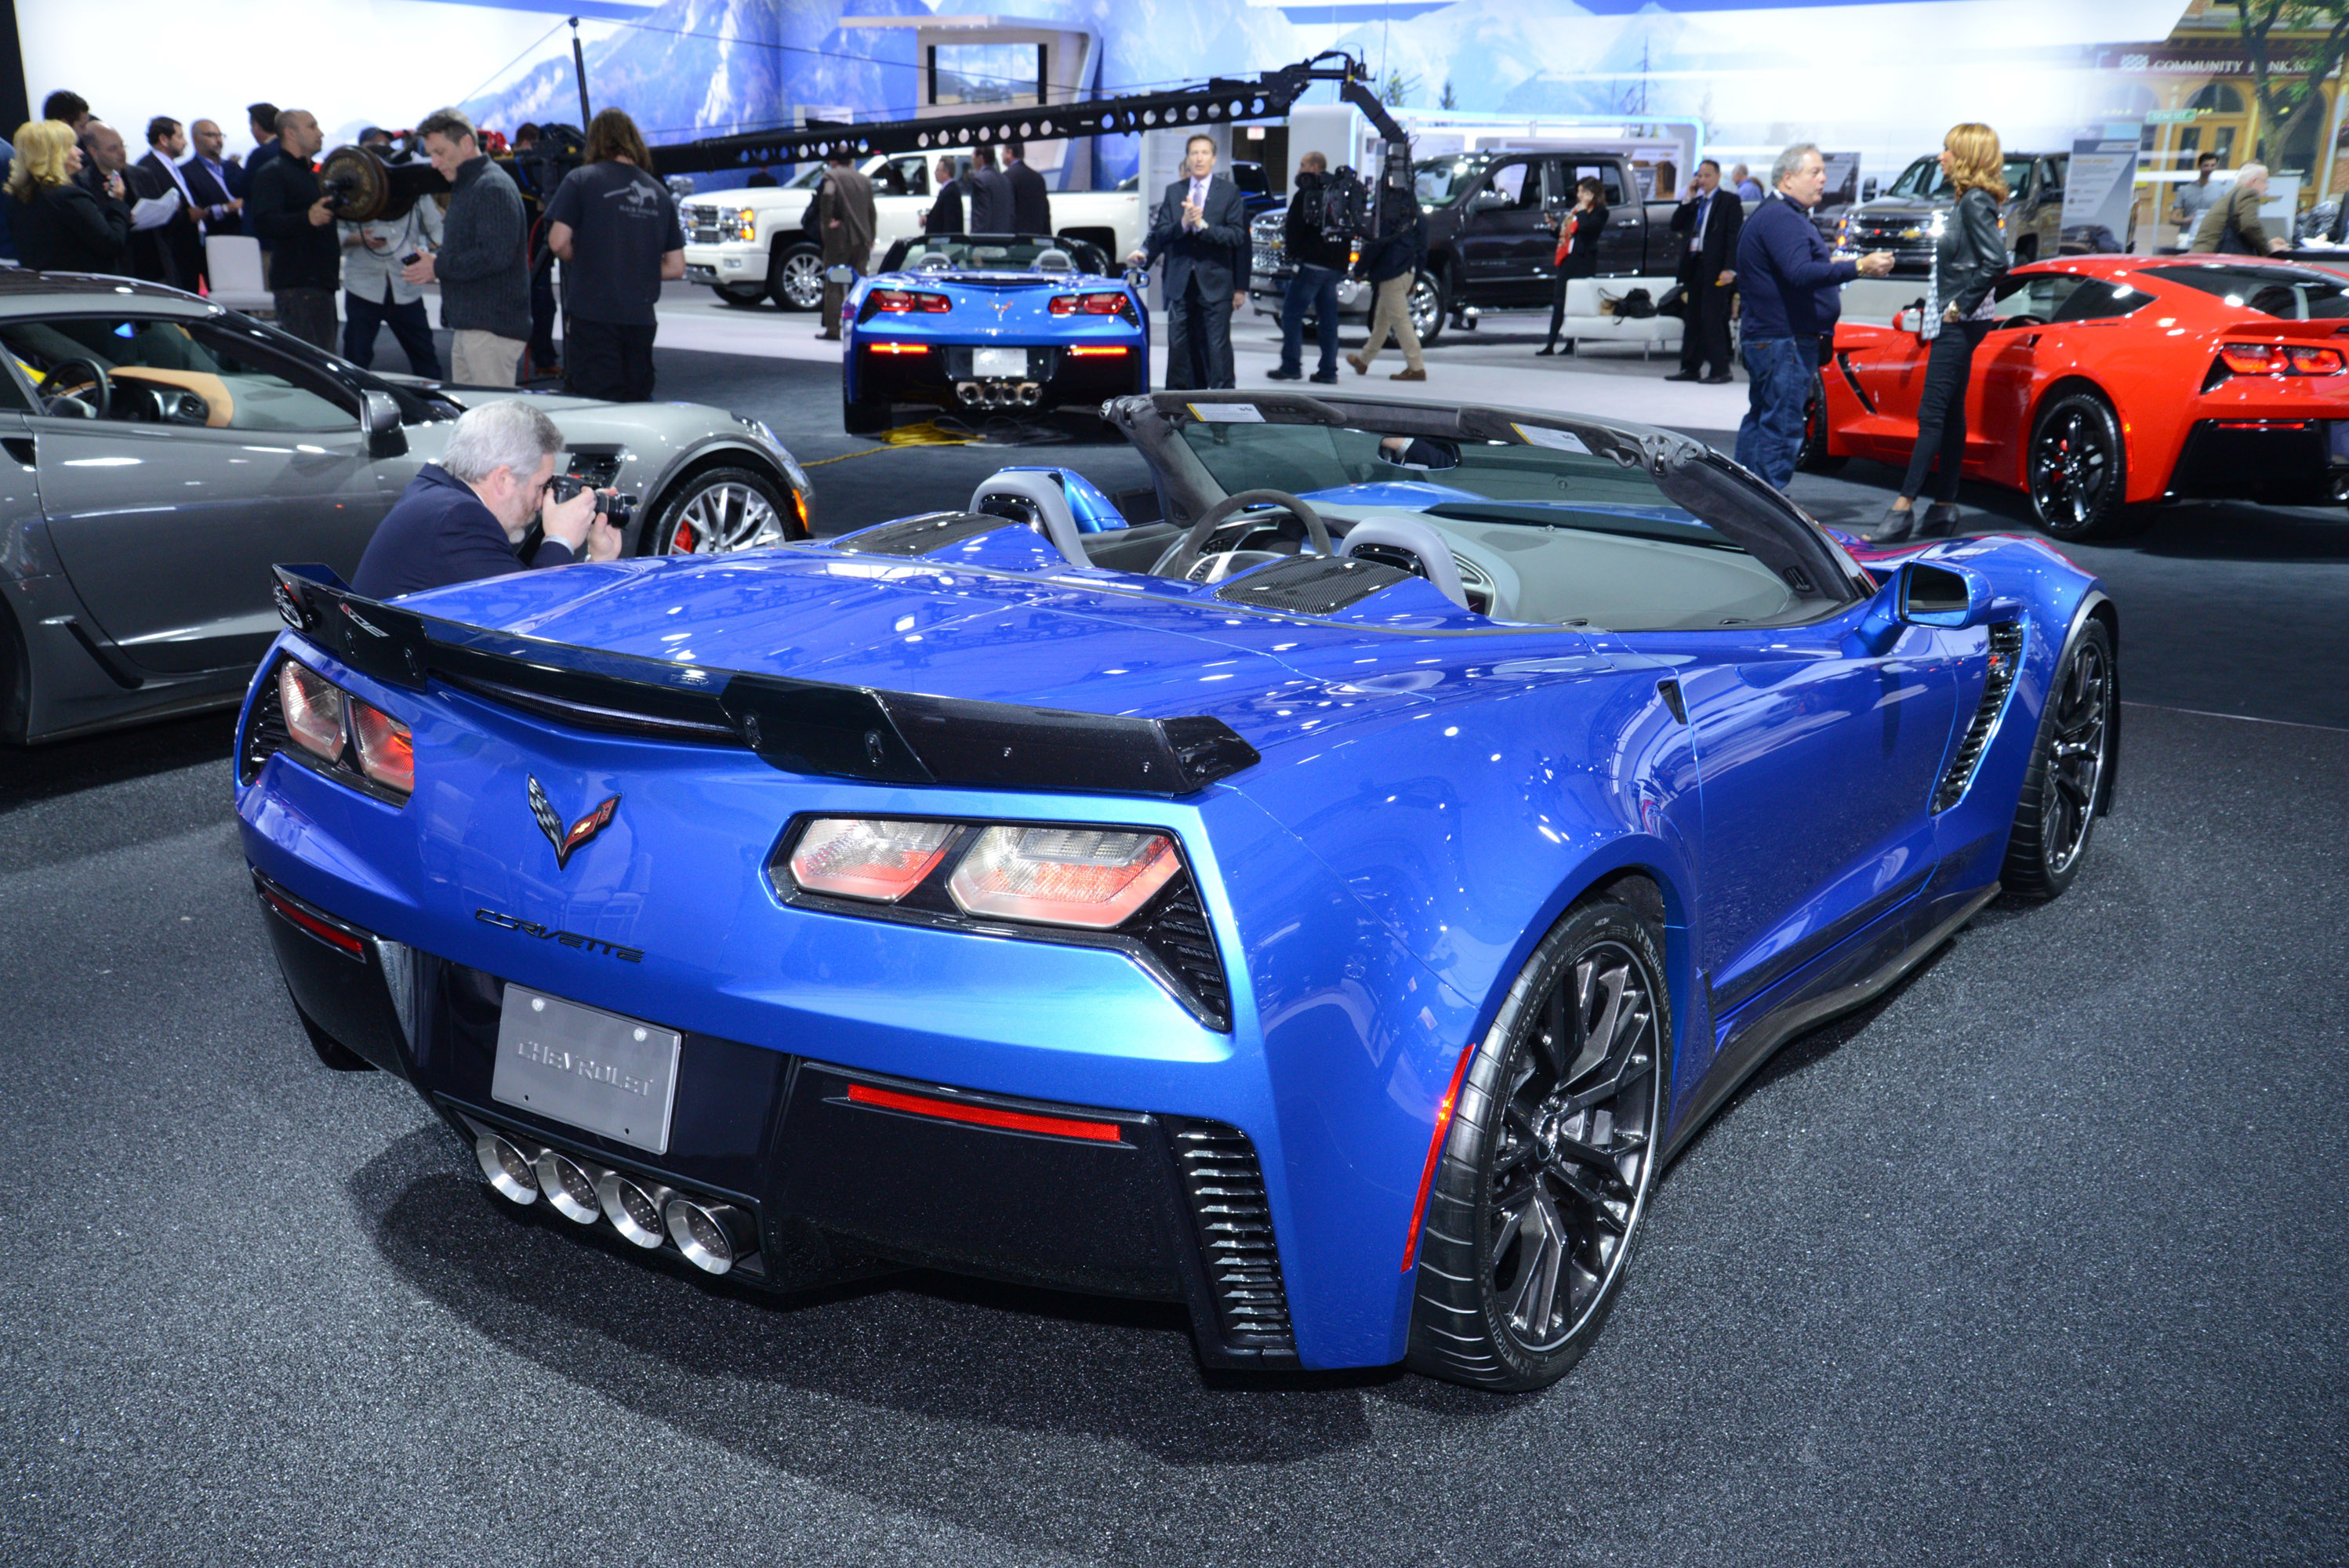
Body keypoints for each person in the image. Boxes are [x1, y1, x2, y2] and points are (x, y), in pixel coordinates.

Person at [1872, 124, 2010, 543]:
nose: (1940, 157)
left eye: (1947, 150)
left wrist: (1957, 306)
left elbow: (1997, 263)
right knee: (1950, 415)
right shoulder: (1971, 201)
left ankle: (1902, 508)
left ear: (1965, 156)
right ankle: (1944, 507)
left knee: (1932, 413)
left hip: (1960, 322)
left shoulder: (1974, 202)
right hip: (1961, 320)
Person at [1733, 142, 1893, 490]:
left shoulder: (1776, 215)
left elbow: (1794, 269)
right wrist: (1859, 266)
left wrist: (1838, 265)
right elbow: (1800, 273)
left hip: (1774, 337)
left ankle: (1743, 503)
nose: (1823, 179)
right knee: (1781, 426)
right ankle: (1768, 514)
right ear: (1788, 178)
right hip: (1784, 339)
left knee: (1764, 420)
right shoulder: (1781, 217)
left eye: (1822, 172)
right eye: (1815, 172)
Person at [350, 399, 621, 601]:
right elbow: (531, 613)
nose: (540, 504)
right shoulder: (458, 519)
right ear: (504, 479)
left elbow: (512, 582)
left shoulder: (435, 496)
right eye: (540, 486)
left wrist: (599, 561)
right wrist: (560, 539)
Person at [545, 108, 684, 402]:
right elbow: (675, 267)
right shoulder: (659, 193)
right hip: (641, 319)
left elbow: (557, 242)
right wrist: (637, 264)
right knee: (637, 401)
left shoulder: (580, 180)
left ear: (596, 141)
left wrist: (586, 256)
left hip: (594, 315)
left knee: (596, 404)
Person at [405, 107, 532, 386]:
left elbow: (494, 256)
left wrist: (437, 265)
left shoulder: (491, 187)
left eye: (439, 152)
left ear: (465, 143)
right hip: (475, 330)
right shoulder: (472, 186)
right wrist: (435, 261)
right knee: (477, 423)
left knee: (492, 425)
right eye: (431, 154)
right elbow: (480, 250)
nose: (435, 163)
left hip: (489, 333)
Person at [1132, 133, 1248, 390]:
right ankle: (1177, 404)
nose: (1199, 158)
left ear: (1214, 159)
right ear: (1187, 158)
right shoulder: (1174, 192)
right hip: (1180, 280)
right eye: (1194, 153)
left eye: (1204, 153)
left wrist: (1202, 226)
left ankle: (1222, 403)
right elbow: (1161, 232)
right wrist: (1183, 224)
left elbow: (1237, 236)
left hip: (1216, 281)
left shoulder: (1229, 192)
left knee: (1217, 346)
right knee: (1178, 344)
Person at [247, 109, 339, 350]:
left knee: (325, 363)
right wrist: (307, 218)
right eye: (312, 126)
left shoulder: (313, 174)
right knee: (315, 369)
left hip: (319, 284)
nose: (320, 133)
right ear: (291, 133)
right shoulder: (272, 173)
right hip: (299, 287)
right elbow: (264, 223)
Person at [339, 182, 443, 377]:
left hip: (406, 286)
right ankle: (350, 404)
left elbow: (437, 229)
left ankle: (437, 404)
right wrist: (356, 238)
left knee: (425, 357)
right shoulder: (352, 192)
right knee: (356, 357)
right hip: (363, 286)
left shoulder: (416, 194)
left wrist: (430, 256)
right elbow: (331, 232)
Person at [8, 118, 129, 273]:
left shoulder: (18, 198)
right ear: (56, 154)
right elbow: (112, 244)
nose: (80, 152)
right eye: (72, 146)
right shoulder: (69, 197)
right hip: (86, 290)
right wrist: (117, 201)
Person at [1269, 151, 1345, 383]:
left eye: (1302, 165)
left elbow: (1294, 228)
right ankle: (1328, 370)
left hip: (1310, 265)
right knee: (1328, 319)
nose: (1299, 170)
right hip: (1333, 267)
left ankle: (1291, 366)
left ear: (1313, 167)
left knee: (1291, 315)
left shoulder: (1306, 193)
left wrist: (1293, 256)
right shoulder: (1340, 191)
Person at [1666, 159, 1742, 383]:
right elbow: (1676, 224)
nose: (1702, 180)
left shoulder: (1729, 201)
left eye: (1707, 175)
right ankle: (1690, 367)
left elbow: (1733, 237)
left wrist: (1730, 268)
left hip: (1717, 268)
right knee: (1693, 318)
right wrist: (1688, 198)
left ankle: (1720, 369)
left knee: (1712, 317)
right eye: (1700, 175)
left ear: (1718, 177)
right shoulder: (1695, 202)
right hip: (1695, 265)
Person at [78, 122, 180, 285]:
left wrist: (169, 209)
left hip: (155, 265)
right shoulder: (83, 183)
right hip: (120, 270)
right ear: (93, 152)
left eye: (122, 145)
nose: (121, 153)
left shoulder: (141, 174)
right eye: (113, 149)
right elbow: (97, 233)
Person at [1349, 183, 1428, 381]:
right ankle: (1363, 360)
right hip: (1407, 270)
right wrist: (1415, 279)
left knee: (1400, 321)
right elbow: (1423, 250)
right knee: (1382, 320)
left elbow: (1375, 247)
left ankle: (1416, 367)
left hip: (1390, 274)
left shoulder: (1386, 219)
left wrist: (1359, 271)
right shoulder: (1417, 218)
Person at [1540, 175, 1607, 356]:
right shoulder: (1576, 210)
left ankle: (1571, 344)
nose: (1578, 196)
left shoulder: (1600, 211)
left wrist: (1584, 210)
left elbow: (1586, 230)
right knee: (1559, 301)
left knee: (1576, 304)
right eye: (1578, 192)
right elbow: (1567, 235)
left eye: (1582, 192)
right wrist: (1554, 227)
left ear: (1591, 194)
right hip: (1567, 260)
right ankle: (1550, 344)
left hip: (1583, 262)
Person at [139, 118, 205, 292]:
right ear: (163, 139)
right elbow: (154, 210)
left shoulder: (173, 168)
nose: (185, 143)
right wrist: (185, 216)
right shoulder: (148, 168)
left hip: (188, 251)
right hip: (172, 253)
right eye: (180, 137)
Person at [816, 148, 874, 341]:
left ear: (835, 161)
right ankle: (862, 325)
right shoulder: (864, 180)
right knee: (859, 284)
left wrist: (827, 220)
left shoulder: (832, 176)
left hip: (840, 242)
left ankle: (833, 329)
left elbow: (828, 195)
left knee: (835, 283)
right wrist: (871, 236)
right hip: (862, 240)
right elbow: (871, 212)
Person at [2194, 161, 2288, 255]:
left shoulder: (2233, 195)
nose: (2267, 186)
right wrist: (2269, 249)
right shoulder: (2248, 193)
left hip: (2204, 255)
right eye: (2266, 181)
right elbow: (2250, 225)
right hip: (2213, 259)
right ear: (2254, 181)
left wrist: (2266, 243)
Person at [181, 118, 244, 241]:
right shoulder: (186, 172)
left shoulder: (232, 166)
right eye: (211, 135)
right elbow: (197, 212)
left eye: (220, 135)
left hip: (249, 233)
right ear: (195, 139)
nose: (219, 140)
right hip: (219, 239)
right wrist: (227, 208)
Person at [2173, 151, 2223, 245]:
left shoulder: (2221, 189)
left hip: (2211, 237)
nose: (2209, 169)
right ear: (2199, 166)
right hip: (2187, 236)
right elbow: (2173, 219)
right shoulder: (2185, 190)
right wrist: (2186, 221)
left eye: (2213, 165)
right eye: (2206, 165)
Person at [1004, 140, 1051, 235]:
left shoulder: (1006, 178)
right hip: (1037, 238)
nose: (1001, 155)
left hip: (1016, 240)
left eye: (1003, 152)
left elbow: (1007, 212)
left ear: (1009, 153)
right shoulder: (1038, 178)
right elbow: (1046, 212)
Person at [965, 143, 1011, 232]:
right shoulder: (1005, 180)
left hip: (986, 240)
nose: (972, 158)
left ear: (981, 158)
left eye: (974, 154)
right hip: (1004, 237)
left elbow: (981, 216)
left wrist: (976, 239)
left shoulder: (979, 180)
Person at [924, 154, 964, 235]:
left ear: (946, 173)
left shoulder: (951, 192)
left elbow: (950, 222)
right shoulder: (946, 190)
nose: (935, 173)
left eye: (937, 170)